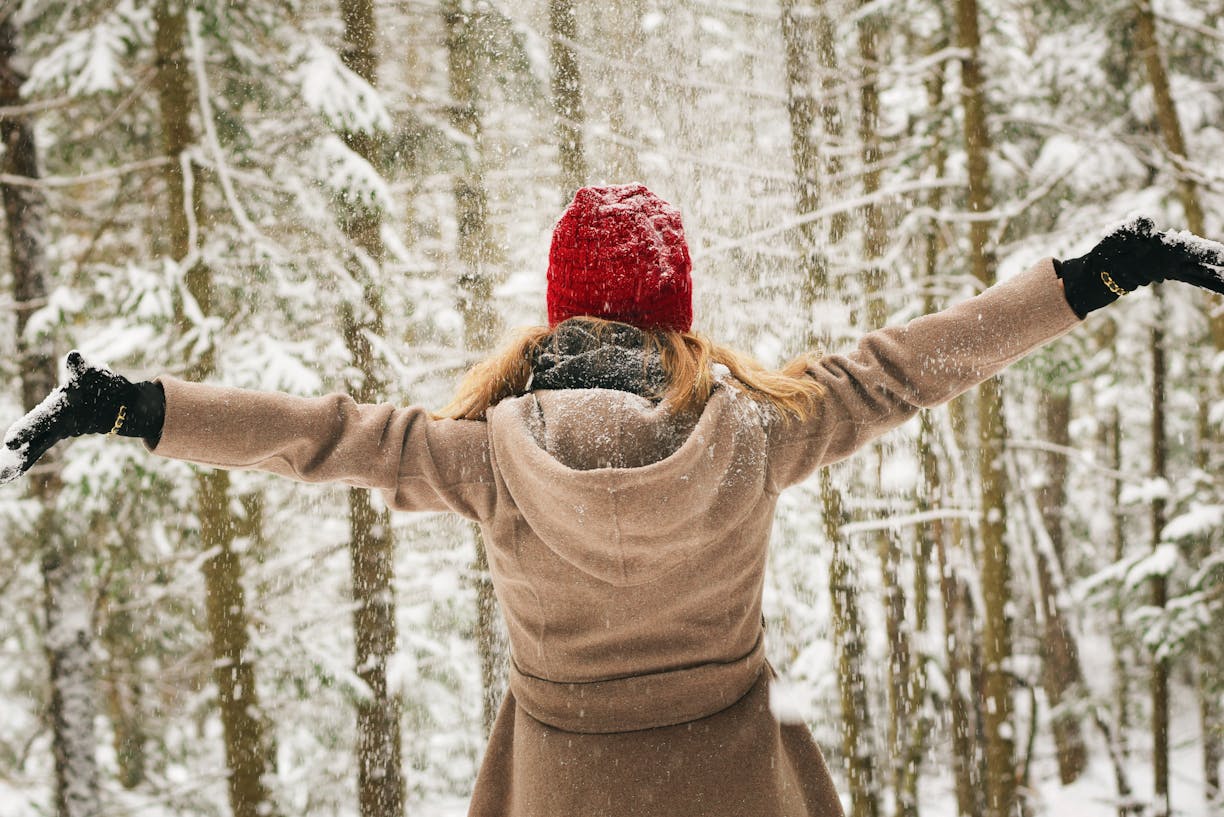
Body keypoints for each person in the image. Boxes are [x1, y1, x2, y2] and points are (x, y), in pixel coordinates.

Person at [3, 184, 1223, 817]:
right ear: (675, 308)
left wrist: (134, 406)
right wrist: (1097, 275)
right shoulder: (758, 431)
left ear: (556, 310)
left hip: (563, 791)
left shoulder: (482, 458)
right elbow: (916, 363)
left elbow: (317, 439)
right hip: (743, 787)